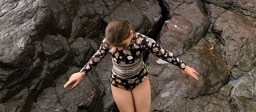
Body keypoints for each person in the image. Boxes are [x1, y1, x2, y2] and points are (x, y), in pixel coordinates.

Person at [64, 19, 199, 111]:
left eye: (123, 45)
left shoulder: (144, 42)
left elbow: (164, 54)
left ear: (130, 33)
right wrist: (82, 72)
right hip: (119, 83)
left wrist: (184, 66)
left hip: (140, 80)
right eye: (115, 46)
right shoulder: (108, 41)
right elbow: (98, 55)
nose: (120, 48)